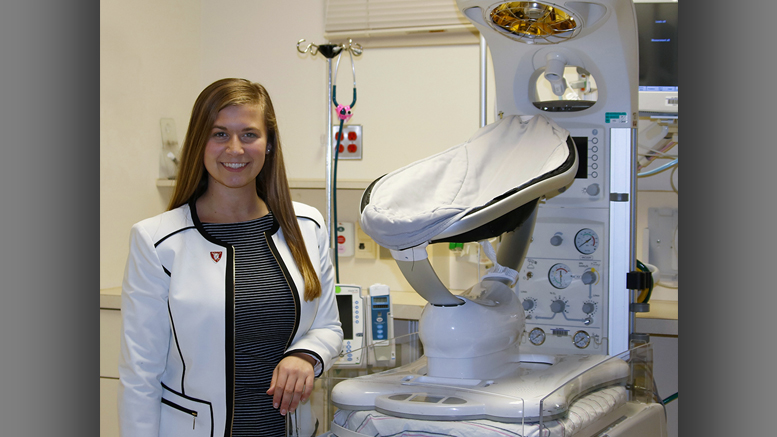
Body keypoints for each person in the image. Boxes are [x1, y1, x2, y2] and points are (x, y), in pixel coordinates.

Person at [118, 78, 343, 436]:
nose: (235, 149)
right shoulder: (159, 241)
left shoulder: (306, 227)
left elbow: (329, 327)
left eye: (249, 134)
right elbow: (140, 372)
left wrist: (306, 356)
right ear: (199, 143)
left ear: (268, 144)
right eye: (220, 134)